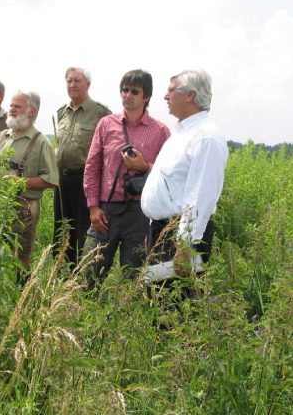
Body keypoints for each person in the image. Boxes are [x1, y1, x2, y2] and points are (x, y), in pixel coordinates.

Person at [83, 69, 170, 289]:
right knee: (89, 273)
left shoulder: (160, 131)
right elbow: (92, 166)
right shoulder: (106, 124)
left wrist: (145, 167)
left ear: (146, 96)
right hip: (106, 211)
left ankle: (127, 318)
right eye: (124, 89)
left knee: (134, 278)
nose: (127, 94)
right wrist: (93, 207)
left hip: (140, 212)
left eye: (134, 91)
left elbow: (168, 173)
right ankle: (84, 318)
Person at [141, 69, 228, 272]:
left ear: (190, 95)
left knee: (177, 299)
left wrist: (185, 245)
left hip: (181, 237)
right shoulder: (181, 133)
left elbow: (200, 196)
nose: (165, 96)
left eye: (171, 90)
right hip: (164, 231)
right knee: (157, 298)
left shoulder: (206, 137)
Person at [0, 91, 58, 272]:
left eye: (17, 106)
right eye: (11, 106)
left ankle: (22, 295)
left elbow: (51, 180)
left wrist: (20, 182)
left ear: (32, 111)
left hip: (24, 209)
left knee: (21, 258)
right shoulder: (2, 136)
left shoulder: (41, 142)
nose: (11, 110)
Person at [53, 67, 111, 267]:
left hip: (84, 181)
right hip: (61, 180)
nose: (72, 85)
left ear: (88, 84)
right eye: (69, 81)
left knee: (83, 232)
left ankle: (84, 279)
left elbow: (107, 152)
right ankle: (63, 275)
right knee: (62, 231)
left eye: (77, 81)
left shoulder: (101, 113)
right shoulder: (62, 112)